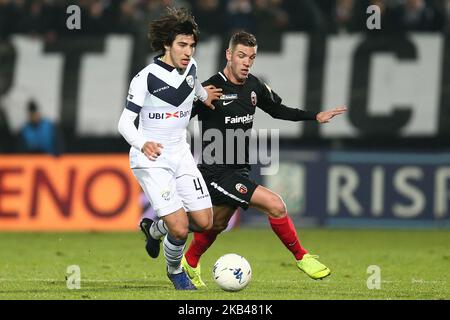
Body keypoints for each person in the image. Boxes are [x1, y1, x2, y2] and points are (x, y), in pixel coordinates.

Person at [141, 30, 346, 287]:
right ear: (229, 55)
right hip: (215, 172)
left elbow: (278, 110)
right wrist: (152, 140)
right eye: (241, 55)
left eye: (252, 57)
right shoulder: (209, 89)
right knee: (276, 204)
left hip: (239, 170)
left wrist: (314, 116)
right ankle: (302, 257)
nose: (247, 62)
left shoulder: (254, 87)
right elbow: (176, 116)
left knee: (215, 224)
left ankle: (170, 244)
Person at [117, 7, 222, 290]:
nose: (188, 51)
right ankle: (175, 272)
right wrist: (142, 142)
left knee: (203, 221)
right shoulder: (145, 78)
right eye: (182, 45)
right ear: (167, 44)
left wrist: (204, 95)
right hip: (151, 157)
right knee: (180, 227)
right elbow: (125, 122)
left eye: (191, 45)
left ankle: (154, 229)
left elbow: (193, 85)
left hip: (181, 154)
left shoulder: (192, 66)